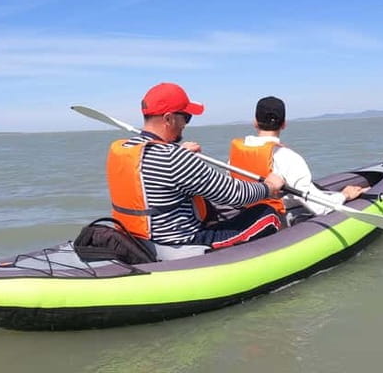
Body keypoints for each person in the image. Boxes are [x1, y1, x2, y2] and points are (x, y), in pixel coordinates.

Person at [106, 82, 285, 248]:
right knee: (267, 213)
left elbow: (159, 169)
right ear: (168, 119)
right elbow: (236, 195)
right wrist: (269, 187)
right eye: (186, 117)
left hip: (141, 240)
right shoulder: (175, 158)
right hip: (183, 243)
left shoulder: (126, 149)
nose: (185, 124)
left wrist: (179, 151)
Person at [228, 96, 367, 223]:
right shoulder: (288, 157)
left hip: (246, 214)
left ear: (255, 122)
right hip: (271, 222)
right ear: (284, 124)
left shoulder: (236, 154)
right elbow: (320, 208)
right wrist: (344, 195)